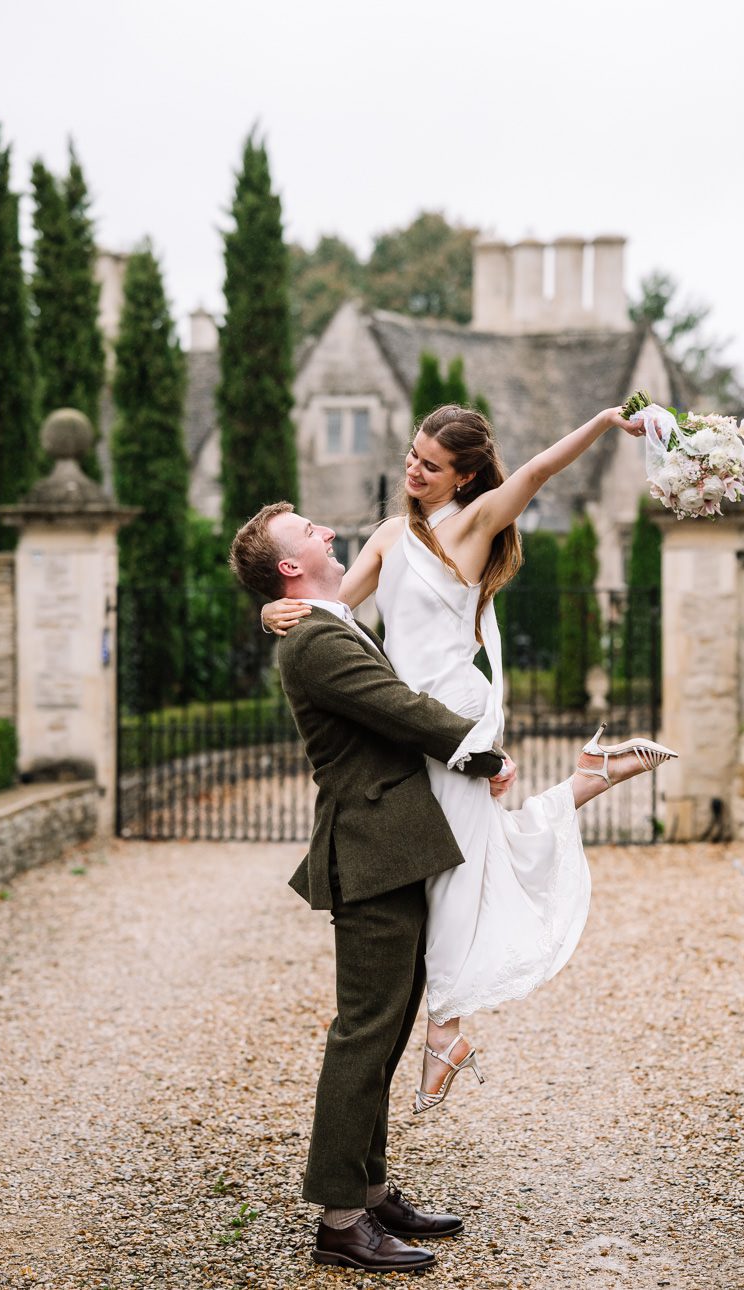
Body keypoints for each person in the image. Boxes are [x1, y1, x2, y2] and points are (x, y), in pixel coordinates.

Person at [262, 403, 677, 1113]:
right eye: (412, 456)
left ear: (467, 474)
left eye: (430, 464)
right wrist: (269, 611)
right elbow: (332, 607)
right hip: (406, 715)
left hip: (450, 710)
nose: (412, 470)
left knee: (453, 869)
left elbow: (543, 469)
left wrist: (606, 424)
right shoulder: (392, 534)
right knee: (469, 851)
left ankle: (447, 1026)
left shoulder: (480, 521)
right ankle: (585, 780)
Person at [229, 502, 515, 1274]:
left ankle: (373, 1186)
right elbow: (396, 708)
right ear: (291, 566)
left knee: (385, 1030)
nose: (325, 531)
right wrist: (478, 750)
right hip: (369, 848)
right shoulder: (315, 639)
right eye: (309, 533)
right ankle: (341, 1219)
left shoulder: (318, 619)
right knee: (363, 1034)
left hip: (391, 844)